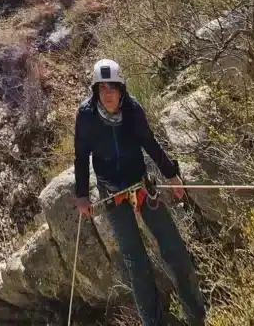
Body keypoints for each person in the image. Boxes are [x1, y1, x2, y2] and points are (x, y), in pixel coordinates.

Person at [74, 58, 206, 326]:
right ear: (95, 91)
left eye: (113, 87)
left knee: (174, 249)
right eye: (102, 88)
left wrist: (171, 175)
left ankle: (197, 317)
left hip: (141, 183)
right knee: (136, 261)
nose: (108, 94)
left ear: (121, 89)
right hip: (112, 192)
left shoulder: (133, 110)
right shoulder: (86, 116)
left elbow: (150, 143)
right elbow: (81, 157)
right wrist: (82, 196)